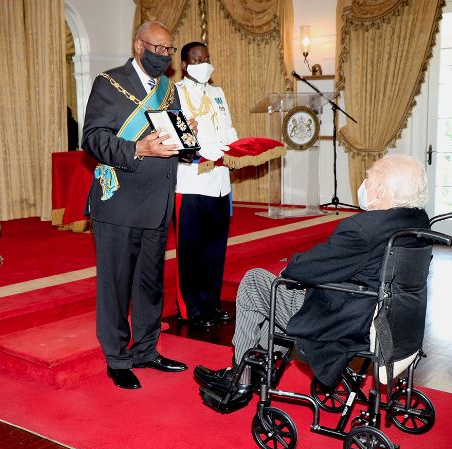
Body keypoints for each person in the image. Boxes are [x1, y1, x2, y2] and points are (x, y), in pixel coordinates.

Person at [194, 154, 430, 404]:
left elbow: (309, 268)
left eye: (368, 176)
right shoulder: (417, 221)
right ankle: (263, 370)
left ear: (381, 189)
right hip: (391, 316)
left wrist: (291, 265)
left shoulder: (364, 229)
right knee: (277, 298)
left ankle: (240, 380)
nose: (364, 182)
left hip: (345, 318)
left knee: (256, 282)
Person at [81, 21, 192, 389]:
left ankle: (146, 350)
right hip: (120, 204)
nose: (163, 56)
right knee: (115, 284)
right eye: (157, 49)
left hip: (158, 202)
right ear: (138, 45)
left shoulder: (169, 91)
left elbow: (172, 140)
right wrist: (136, 148)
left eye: (168, 50)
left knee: (150, 284)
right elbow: (93, 139)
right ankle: (117, 357)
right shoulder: (108, 83)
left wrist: (187, 137)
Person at [174, 42, 238, 328]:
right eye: (196, 59)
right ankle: (192, 308)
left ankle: (210, 302)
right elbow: (177, 137)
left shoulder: (217, 92)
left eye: (206, 58)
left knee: (214, 248)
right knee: (191, 250)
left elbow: (229, 128)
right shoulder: (175, 93)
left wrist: (238, 147)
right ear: (185, 64)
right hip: (191, 180)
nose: (203, 63)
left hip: (220, 181)